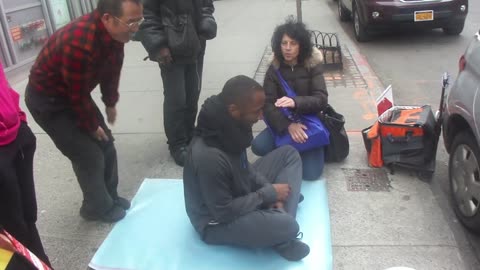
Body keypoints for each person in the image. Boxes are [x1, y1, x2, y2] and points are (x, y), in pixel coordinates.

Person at [24, 0, 144, 222]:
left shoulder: (117, 34)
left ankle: (110, 196)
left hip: (72, 92)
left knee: (106, 143)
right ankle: (95, 208)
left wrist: (110, 102)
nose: (136, 27)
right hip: (48, 101)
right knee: (87, 154)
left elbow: (112, 69)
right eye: (131, 22)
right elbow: (76, 95)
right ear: (107, 18)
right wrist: (91, 125)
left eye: (139, 20)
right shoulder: (79, 42)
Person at [183, 75, 310, 261]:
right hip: (215, 222)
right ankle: (282, 236)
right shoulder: (209, 157)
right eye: (257, 111)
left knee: (289, 154)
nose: (261, 117)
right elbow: (223, 211)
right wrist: (267, 195)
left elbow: (246, 168)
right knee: (288, 225)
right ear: (234, 110)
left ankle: (276, 218)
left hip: (238, 189)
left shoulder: (230, 124)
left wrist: (269, 189)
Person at [139, 0, 217, 166]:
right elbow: (148, 16)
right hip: (170, 52)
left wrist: (206, 21)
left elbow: (206, 6)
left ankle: (189, 134)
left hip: (195, 46)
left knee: (192, 94)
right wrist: (158, 45)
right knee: (176, 99)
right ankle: (177, 143)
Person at [251, 19, 328, 180]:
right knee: (258, 146)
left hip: (309, 122)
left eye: (293, 43)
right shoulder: (274, 69)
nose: (287, 48)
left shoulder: (312, 65)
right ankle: (293, 149)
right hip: (284, 121)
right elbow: (268, 104)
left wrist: (296, 102)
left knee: (311, 174)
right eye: (284, 43)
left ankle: (304, 148)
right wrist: (288, 126)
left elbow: (321, 99)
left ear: (301, 45)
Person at [0, 62, 51, 266]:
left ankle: (39, 262)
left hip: (17, 138)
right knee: (10, 228)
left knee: (28, 214)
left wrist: (20, 120)